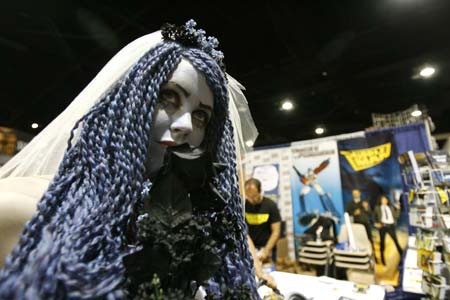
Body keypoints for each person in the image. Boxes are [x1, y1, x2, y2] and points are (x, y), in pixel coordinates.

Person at [0, 20, 259, 299]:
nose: (186, 125)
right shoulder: (19, 212)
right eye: (169, 96)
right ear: (125, 105)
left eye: (201, 116)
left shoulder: (194, 235)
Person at [245, 178, 281, 263]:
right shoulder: (244, 206)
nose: (252, 200)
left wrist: (266, 250)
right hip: (251, 249)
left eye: (254, 196)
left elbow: (276, 231)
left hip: (268, 249)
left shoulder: (270, 205)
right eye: (248, 196)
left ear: (260, 191)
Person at [374, 194, 403, 266]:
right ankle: (383, 260)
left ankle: (402, 257)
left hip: (391, 226)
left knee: (396, 242)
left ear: (387, 200)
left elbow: (396, 216)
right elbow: (373, 217)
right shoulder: (377, 208)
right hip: (383, 226)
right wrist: (375, 223)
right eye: (383, 200)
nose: (384, 201)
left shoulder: (391, 207)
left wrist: (398, 209)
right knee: (382, 244)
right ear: (380, 201)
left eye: (385, 199)